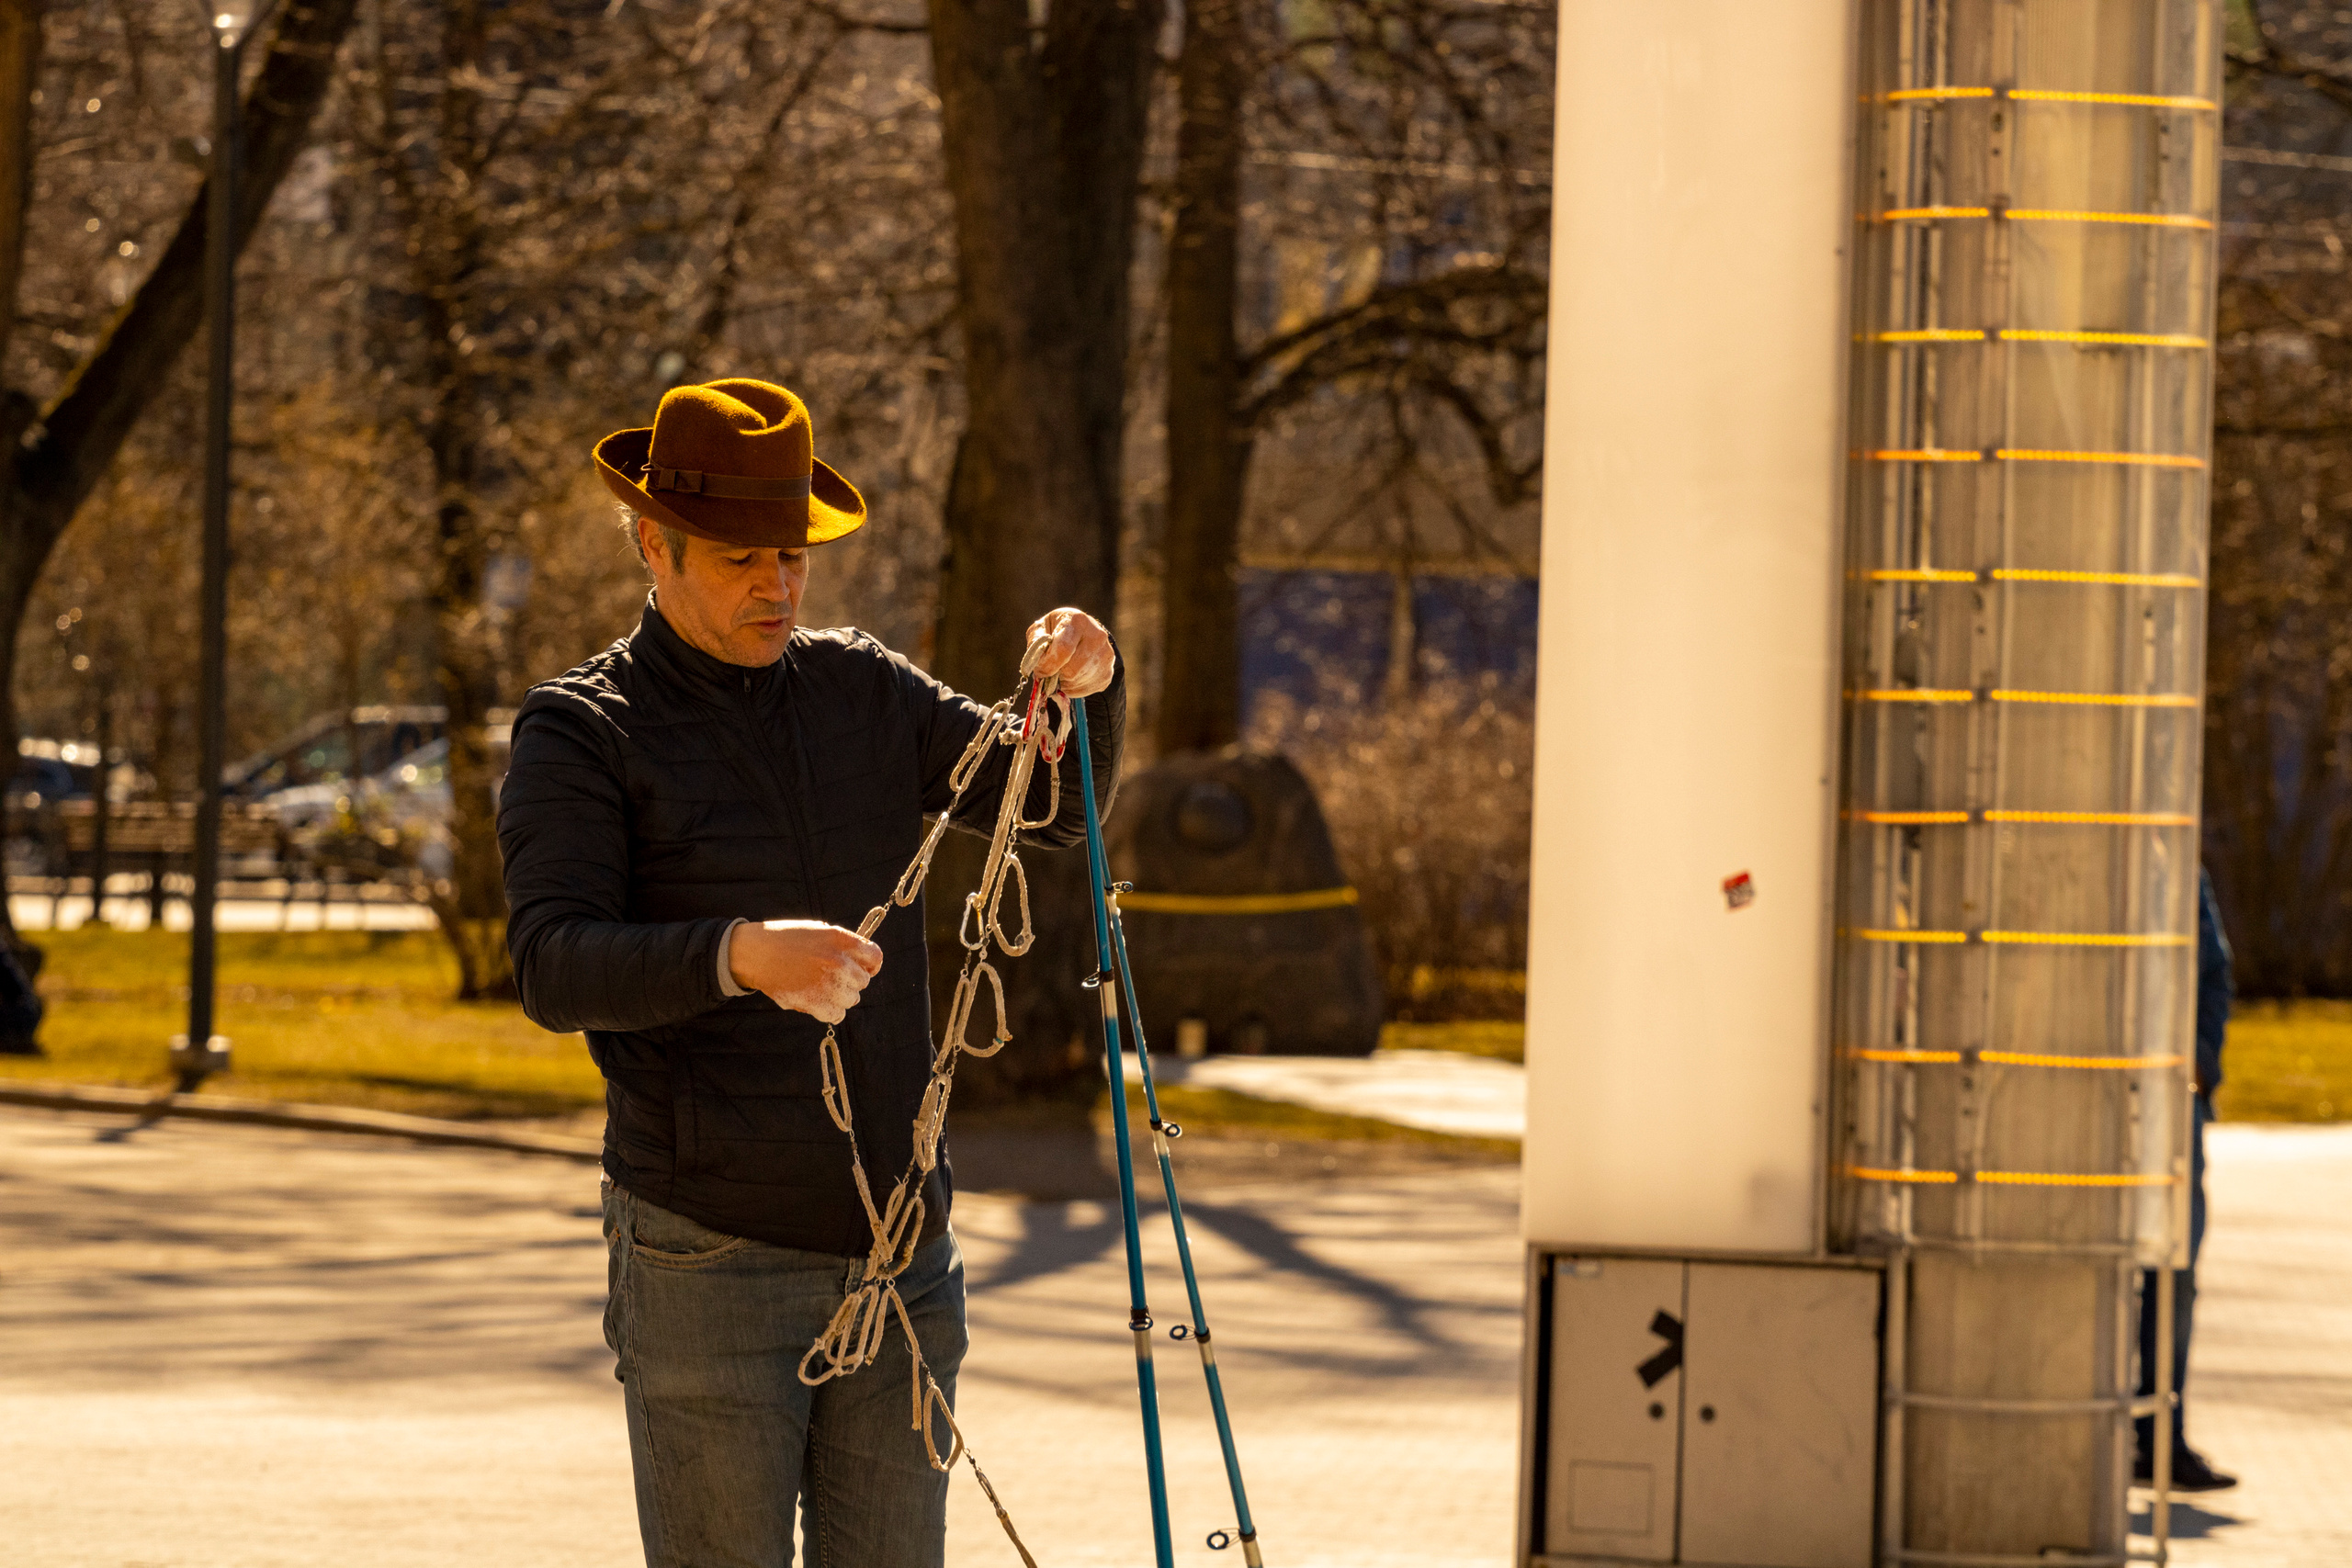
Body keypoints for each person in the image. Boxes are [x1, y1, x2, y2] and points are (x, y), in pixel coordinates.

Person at [496, 378, 1123, 1568]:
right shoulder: (584, 728)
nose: (777, 586)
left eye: (791, 556)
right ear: (653, 543)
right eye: (740, 558)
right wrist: (740, 955)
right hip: (707, 1261)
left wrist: (1085, 684)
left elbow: (1039, 798)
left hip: (902, 1260)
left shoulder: (861, 688)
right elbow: (553, 962)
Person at [2134, 865, 2235, 1493]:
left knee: (2173, 1268)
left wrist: (2198, 1058)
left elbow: (2214, 971)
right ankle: (2116, 1426)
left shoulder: (2176, 864)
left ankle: (2159, 1432)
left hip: (2172, 1099)